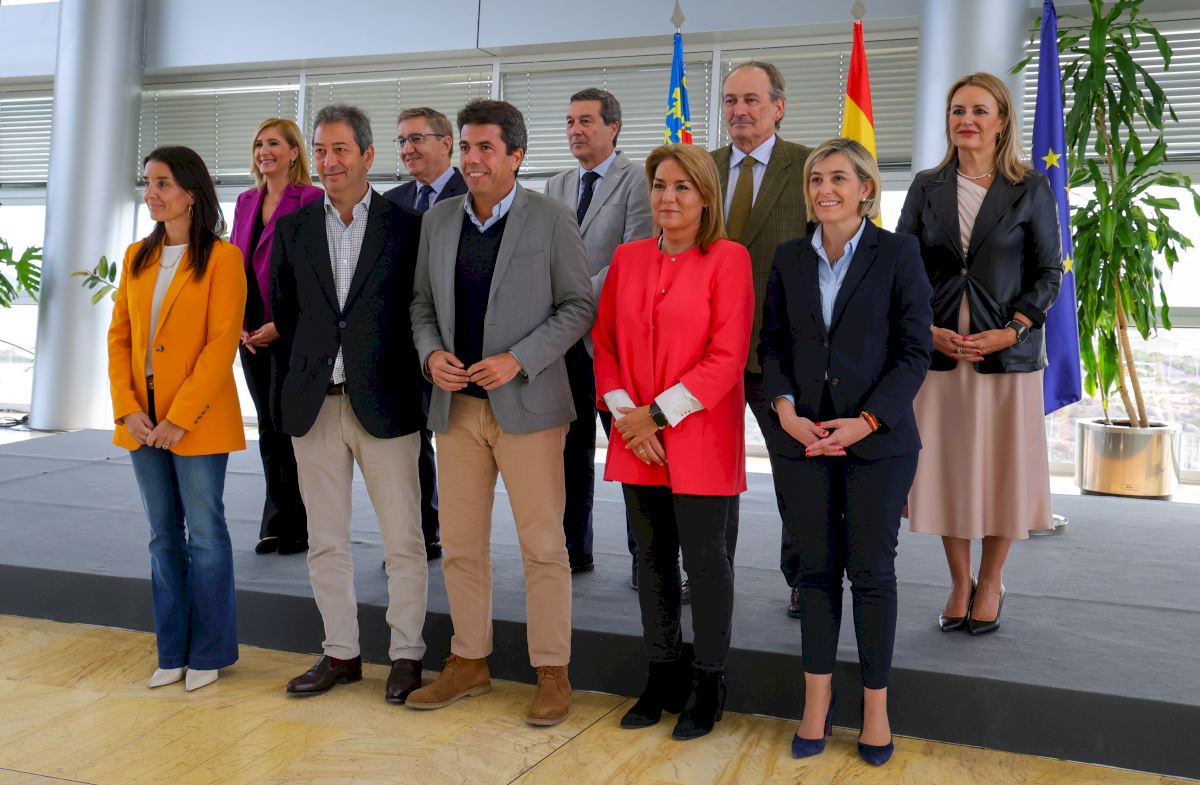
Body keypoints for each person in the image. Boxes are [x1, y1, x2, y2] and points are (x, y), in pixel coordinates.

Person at [406, 99, 593, 727]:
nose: (472, 159)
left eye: (486, 147)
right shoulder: (438, 220)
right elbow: (421, 306)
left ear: (516, 155)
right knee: (461, 545)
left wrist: (519, 359)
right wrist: (431, 354)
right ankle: (468, 660)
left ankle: (552, 670)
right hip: (456, 409)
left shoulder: (552, 218)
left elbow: (578, 307)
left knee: (543, 546)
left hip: (530, 409)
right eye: (465, 147)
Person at [759, 137, 932, 766]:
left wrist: (865, 421)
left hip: (877, 442)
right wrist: (785, 412)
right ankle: (817, 703)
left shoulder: (898, 252)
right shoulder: (788, 257)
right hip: (802, 440)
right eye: (815, 179)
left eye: (838, 178)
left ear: (866, 189)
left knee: (872, 572)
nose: (824, 189)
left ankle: (876, 709)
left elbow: (915, 351)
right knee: (815, 570)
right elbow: (771, 346)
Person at [594, 143, 754, 740]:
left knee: (706, 565)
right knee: (652, 561)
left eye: (682, 187)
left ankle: (709, 682)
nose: (668, 197)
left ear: (706, 196)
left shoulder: (729, 259)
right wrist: (628, 420)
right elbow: (604, 344)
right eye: (660, 185)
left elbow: (727, 355)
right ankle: (661, 674)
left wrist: (655, 417)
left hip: (699, 436)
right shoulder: (628, 257)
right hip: (636, 438)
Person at [270, 104, 429, 704]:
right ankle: (340, 652)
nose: (329, 161)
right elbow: (287, 313)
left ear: (367, 155)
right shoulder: (293, 228)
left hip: (386, 403)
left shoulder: (406, 226)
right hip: (315, 404)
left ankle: (407, 655)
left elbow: (419, 312)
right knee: (325, 540)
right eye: (320, 150)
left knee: (403, 541)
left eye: (340, 149)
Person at [897, 72, 1062, 637]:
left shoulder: (1030, 187)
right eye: (957, 110)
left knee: (1001, 470)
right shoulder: (926, 186)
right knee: (948, 467)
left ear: (1001, 121)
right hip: (940, 355)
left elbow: (1048, 272)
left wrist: (1013, 331)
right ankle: (958, 580)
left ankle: (991, 581)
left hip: (1005, 355)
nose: (966, 120)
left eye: (979, 110)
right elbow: (903, 269)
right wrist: (926, 330)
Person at [107, 145, 247, 693]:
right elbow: (119, 339)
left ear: (191, 192)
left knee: (205, 534)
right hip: (141, 418)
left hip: (198, 418)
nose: (151, 194)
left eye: (162, 183)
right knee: (162, 536)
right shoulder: (136, 256)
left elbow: (220, 346)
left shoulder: (223, 258)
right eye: (147, 182)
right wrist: (127, 408)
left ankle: (209, 652)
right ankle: (172, 651)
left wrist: (181, 417)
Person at [710, 60, 813, 615]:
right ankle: (708, 571)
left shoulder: (809, 168)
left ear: (779, 107)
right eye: (730, 100)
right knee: (708, 472)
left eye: (751, 100)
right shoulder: (701, 168)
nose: (739, 111)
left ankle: (804, 578)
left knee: (793, 470)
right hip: (706, 352)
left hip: (780, 350)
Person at [545, 87, 654, 578]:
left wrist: (571, 300)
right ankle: (573, 549)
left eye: (586, 121)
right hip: (563, 342)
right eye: (570, 122)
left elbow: (634, 257)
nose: (575, 130)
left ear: (613, 127)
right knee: (569, 453)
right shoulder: (557, 184)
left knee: (632, 450)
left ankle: (647, 560)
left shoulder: (641, 180)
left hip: (614, 341)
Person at [230, 117, 323, 556]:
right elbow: (236, 267)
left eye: (273, 144)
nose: (264, 151)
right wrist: (237, 323)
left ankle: (302, 525)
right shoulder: (246, 200)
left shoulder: (312, 199)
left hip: (292, 331)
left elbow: (315, 273)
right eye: (258, 144)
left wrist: (281, 324)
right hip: (249, 333)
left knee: (292, 429)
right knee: (268, 429)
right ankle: (275, 522)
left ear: (293, 152)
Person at [383, 106, 468, 562]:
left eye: (416, 138)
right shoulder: (390, 200)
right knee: (407, 445)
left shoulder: (472, 192)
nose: (407, 148)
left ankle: (461, 542)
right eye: (401, 140)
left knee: (457, 446)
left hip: (455, 342)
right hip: (400, 343)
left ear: (446, 143)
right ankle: (419, 534)